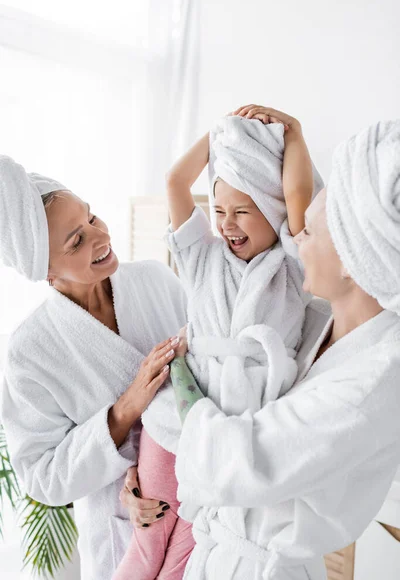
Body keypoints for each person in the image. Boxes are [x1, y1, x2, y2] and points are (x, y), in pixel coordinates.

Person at [124, 116, 400, 579]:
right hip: (219, 548)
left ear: (355, 259)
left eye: (308, 233)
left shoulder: (371, 383)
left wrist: (182, 387)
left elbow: (231, 462)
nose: (296, 241)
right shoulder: (319, 325)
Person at [114, 105, 322, 579]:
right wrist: (222, 135)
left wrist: (293, 131)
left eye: (243, 212)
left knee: (189, 556)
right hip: (174, 425)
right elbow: (174, 181)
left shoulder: (292, 264)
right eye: (220, 210)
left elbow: (297, 191)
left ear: (272, 210)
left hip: (237, 426)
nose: (226, 224)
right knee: (147, 545)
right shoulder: (200, 257)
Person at [0, 156, 190, 580]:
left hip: (202, 499)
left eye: (92, 217)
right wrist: (124, 411)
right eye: (76, 241)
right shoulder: (31, 351)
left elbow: (212, 365)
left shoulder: (155, 281)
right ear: (46, 272)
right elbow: (42, 477)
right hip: (122, 536)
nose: (100, 236)